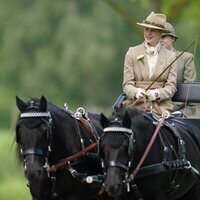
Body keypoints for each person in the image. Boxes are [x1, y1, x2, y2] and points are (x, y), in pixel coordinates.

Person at [122, 12, 177, 115]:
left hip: (161, 106)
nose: (148, 33)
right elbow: (127, 84)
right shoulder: (131, 53)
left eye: (153, 30)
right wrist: (136, 92)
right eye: (146, 29)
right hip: (135, 104)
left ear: (160, 33)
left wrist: (157, 93)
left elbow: (171, 86)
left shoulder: (171, 56)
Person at [161, 22, 198, 118]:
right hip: (157, 109)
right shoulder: (150, 60)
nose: (160, 40)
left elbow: (188, 91)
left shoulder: (186, 58)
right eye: (158, 36)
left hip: (182, 110)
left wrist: (167, 108)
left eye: (164, 36)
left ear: (173, 39)